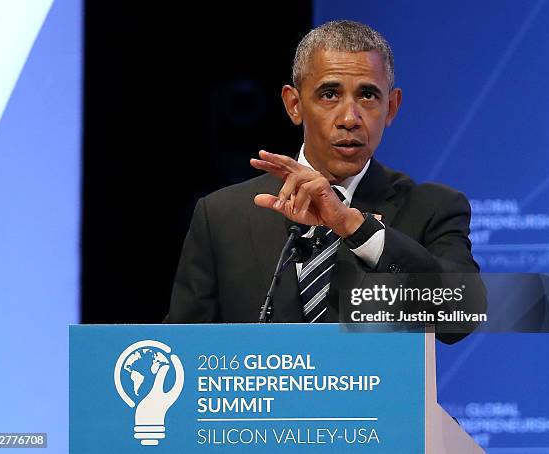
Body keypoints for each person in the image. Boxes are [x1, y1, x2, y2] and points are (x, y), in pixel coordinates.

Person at [164, 20, 484, 342]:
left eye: (368, 95)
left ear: (392, 106)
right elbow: (183, 352)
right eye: (330, 94)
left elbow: (463, 314)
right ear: (294, 105)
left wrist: (358, 230)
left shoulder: (432, 208)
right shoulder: (222, 216)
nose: (349, 119)